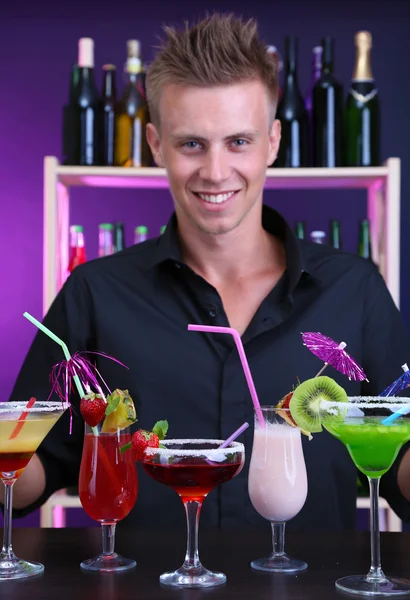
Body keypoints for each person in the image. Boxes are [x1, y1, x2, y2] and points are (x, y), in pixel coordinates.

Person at [4, 13, 410, 532]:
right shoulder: (94, 294)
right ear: (155, 146)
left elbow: (399, 473)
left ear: (273, 142)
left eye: (238, 141)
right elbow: (29, 481)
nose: (216, 172)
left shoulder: (354, 290)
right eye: (191, 143)